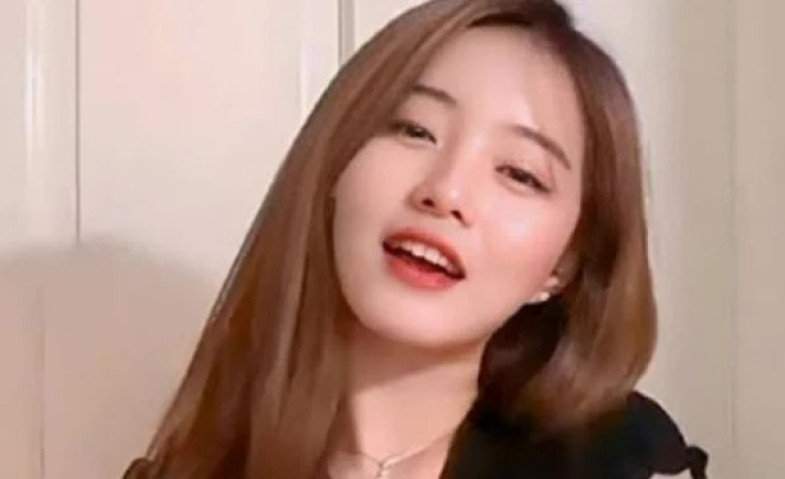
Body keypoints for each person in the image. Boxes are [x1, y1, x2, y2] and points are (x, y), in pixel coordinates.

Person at [123, 0, 708, 477]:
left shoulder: (619, 464)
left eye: (520, 173)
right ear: (336, 164)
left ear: (565, 264)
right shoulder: (192, 469)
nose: (445, 191)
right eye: (413, 130)